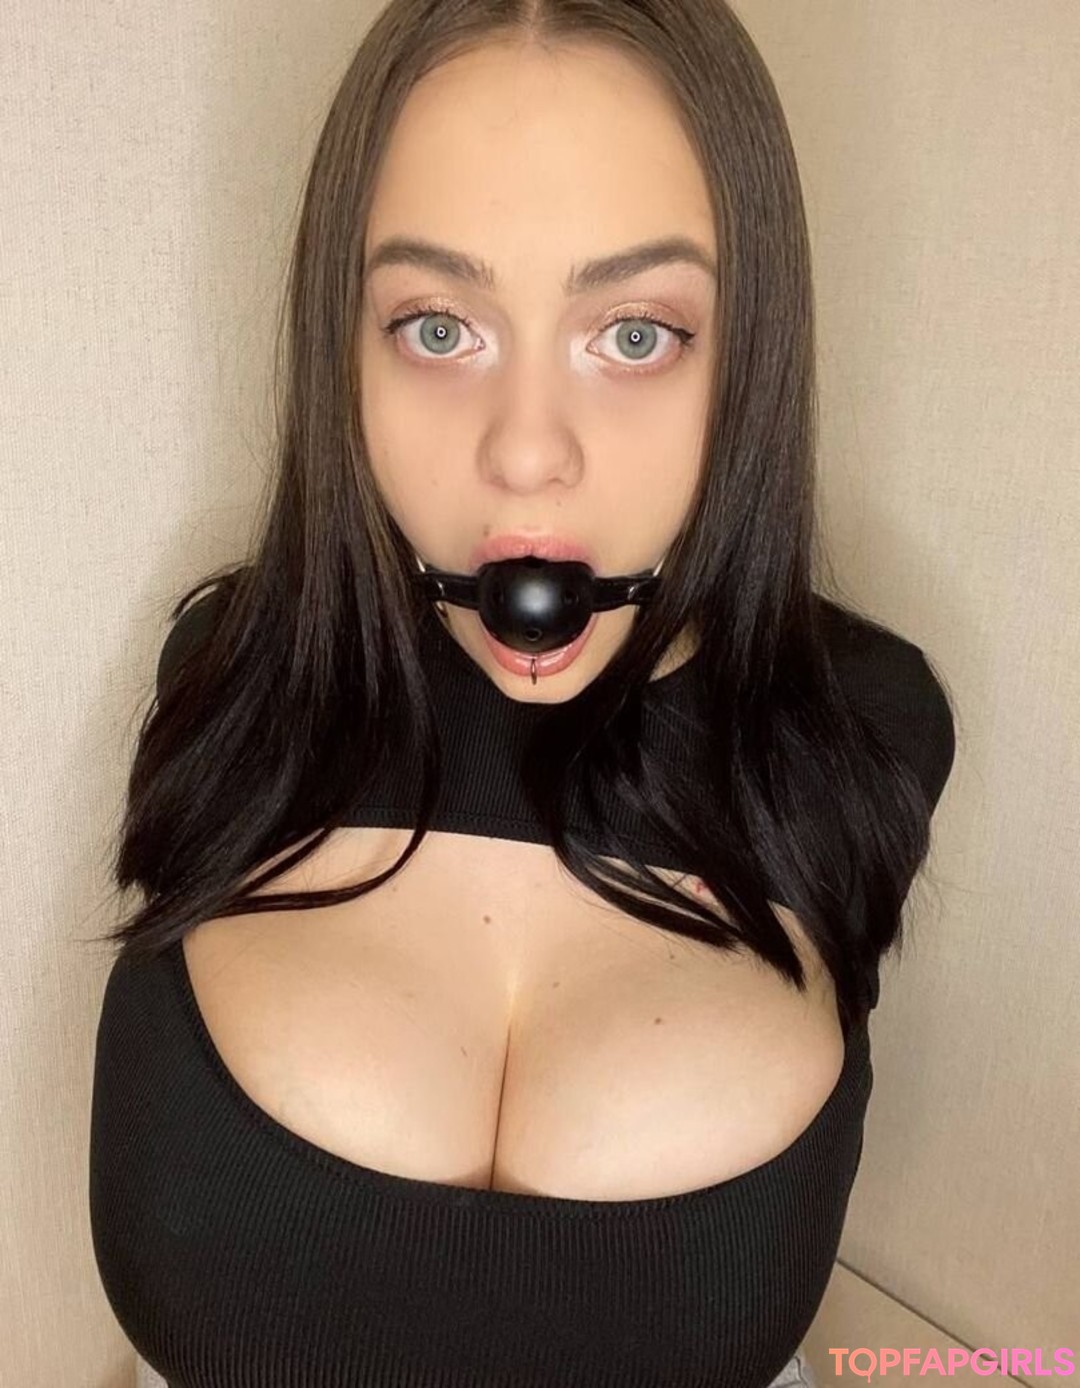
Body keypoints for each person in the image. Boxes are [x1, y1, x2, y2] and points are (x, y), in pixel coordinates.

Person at [88, 4, 957, 1386]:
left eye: (636, 334)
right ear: (344, 344)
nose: (527, 454)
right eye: (439, 327)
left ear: (750, 351)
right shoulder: (233, 674)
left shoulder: (862, 729)